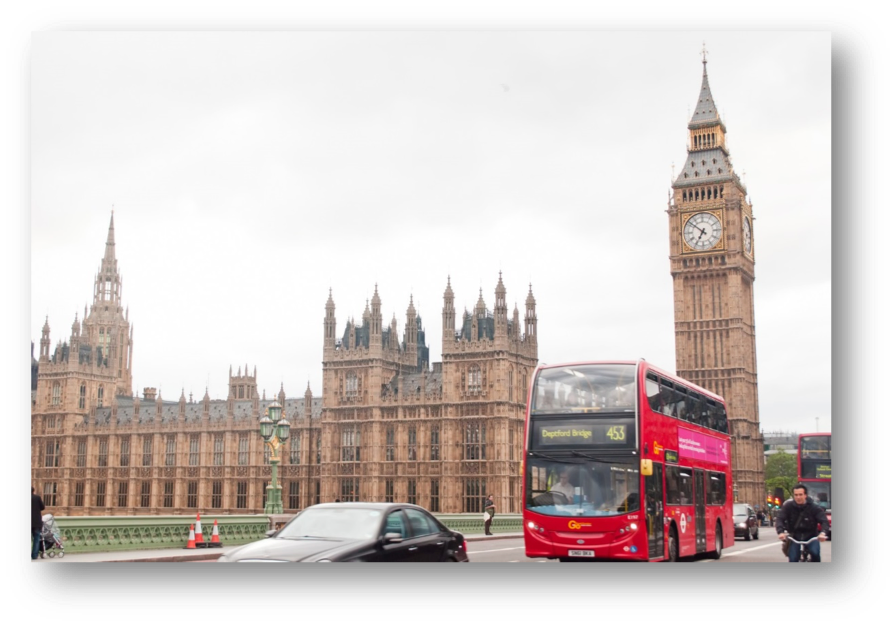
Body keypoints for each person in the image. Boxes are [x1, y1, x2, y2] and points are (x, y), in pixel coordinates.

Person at [775, 484, 828, 562]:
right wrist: (780, 532)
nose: (798, 497)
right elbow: (780, 518)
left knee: (815, 553)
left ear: (805, 495)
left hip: (811, 536)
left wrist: (823, 533)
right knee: (793, 558)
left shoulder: (814, 507)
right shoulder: (788, 506)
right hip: (794, 536)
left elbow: (824, 521)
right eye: (796, 495)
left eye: (800, 495)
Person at [30, 486, 45, 560]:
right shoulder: (37, 497)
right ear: (33, 491)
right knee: (36, 539)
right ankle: (34, 555)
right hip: (37, 522)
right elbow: (42, 507)